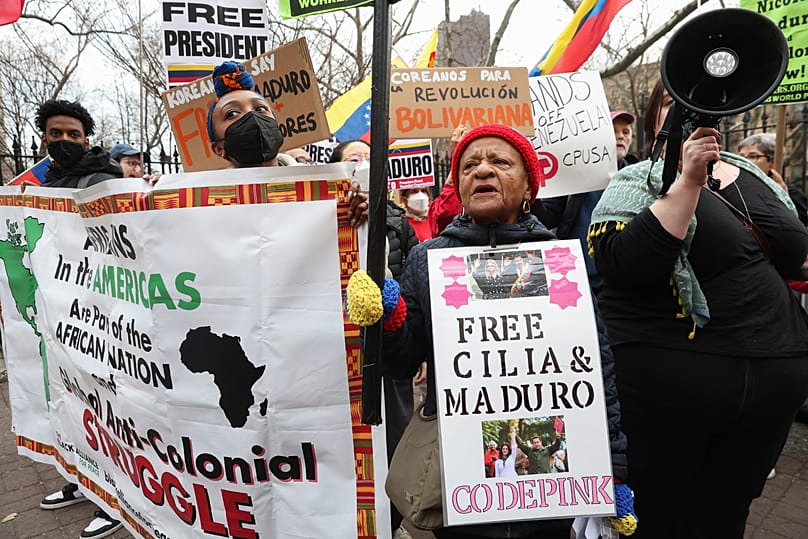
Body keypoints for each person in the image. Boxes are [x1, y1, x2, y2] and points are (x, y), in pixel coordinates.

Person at [350, 123, 634, 538]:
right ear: (460, 187)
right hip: (459, 476)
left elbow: (597, 370)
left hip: (548, 491)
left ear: (528, 187)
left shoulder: (560, 263)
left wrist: (615, 468)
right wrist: (389, 320)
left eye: (500, 162)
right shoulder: (428, 260)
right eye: (469, 166)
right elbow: (400, 363)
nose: (482, 171)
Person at [588, 79, 808, 539]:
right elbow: (625, 263)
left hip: (769, 391)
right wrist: (687, 182)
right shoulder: (638, 181)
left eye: (706, 100)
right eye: (675, 100)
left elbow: (793, 257)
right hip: (668, 396)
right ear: (655, 119)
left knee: (724, 516)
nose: (692, 107)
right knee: (661, 516)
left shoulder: (754, 177)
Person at [35, 99, 123, 538]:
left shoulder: (102, 178)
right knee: (70, 400)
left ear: (87, 138)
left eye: (74, 134)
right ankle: (78, 476)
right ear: (45, 138)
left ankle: (114, 497)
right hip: (61, 311)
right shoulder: (43, 184)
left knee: (105, 406)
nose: (66, 141)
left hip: (100, 314)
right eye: (57, 134)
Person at [328, 137, 416, 539]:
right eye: (352, 160)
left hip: (388, 349)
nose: (363, 164)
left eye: (368, 159)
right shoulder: (326, 217)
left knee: (393, 437)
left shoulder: (399, 221)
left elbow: (414, 282)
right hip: (340, 351)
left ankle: (391, 520)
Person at [206, 61, 368, 227]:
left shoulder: (323, 188)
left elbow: (363, 248)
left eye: (261, 109)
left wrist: (363, 219)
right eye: (232, 113)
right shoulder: (204, 206)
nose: (252, 117)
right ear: (218, 148)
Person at [533, 110, 639, 295]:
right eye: (613, 131)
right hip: (577, 277)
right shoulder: (574, 172)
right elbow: (547, 218)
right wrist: (531, 190)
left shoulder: (640, 179)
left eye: (626, 132)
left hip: (621, 283)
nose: (620, 136)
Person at [738, 132, 808, 225]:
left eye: (753, 156)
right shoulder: (735, 187)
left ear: (772, 162)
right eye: (741, 157)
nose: (745, 161)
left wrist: (783, 200)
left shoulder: (793, 195)